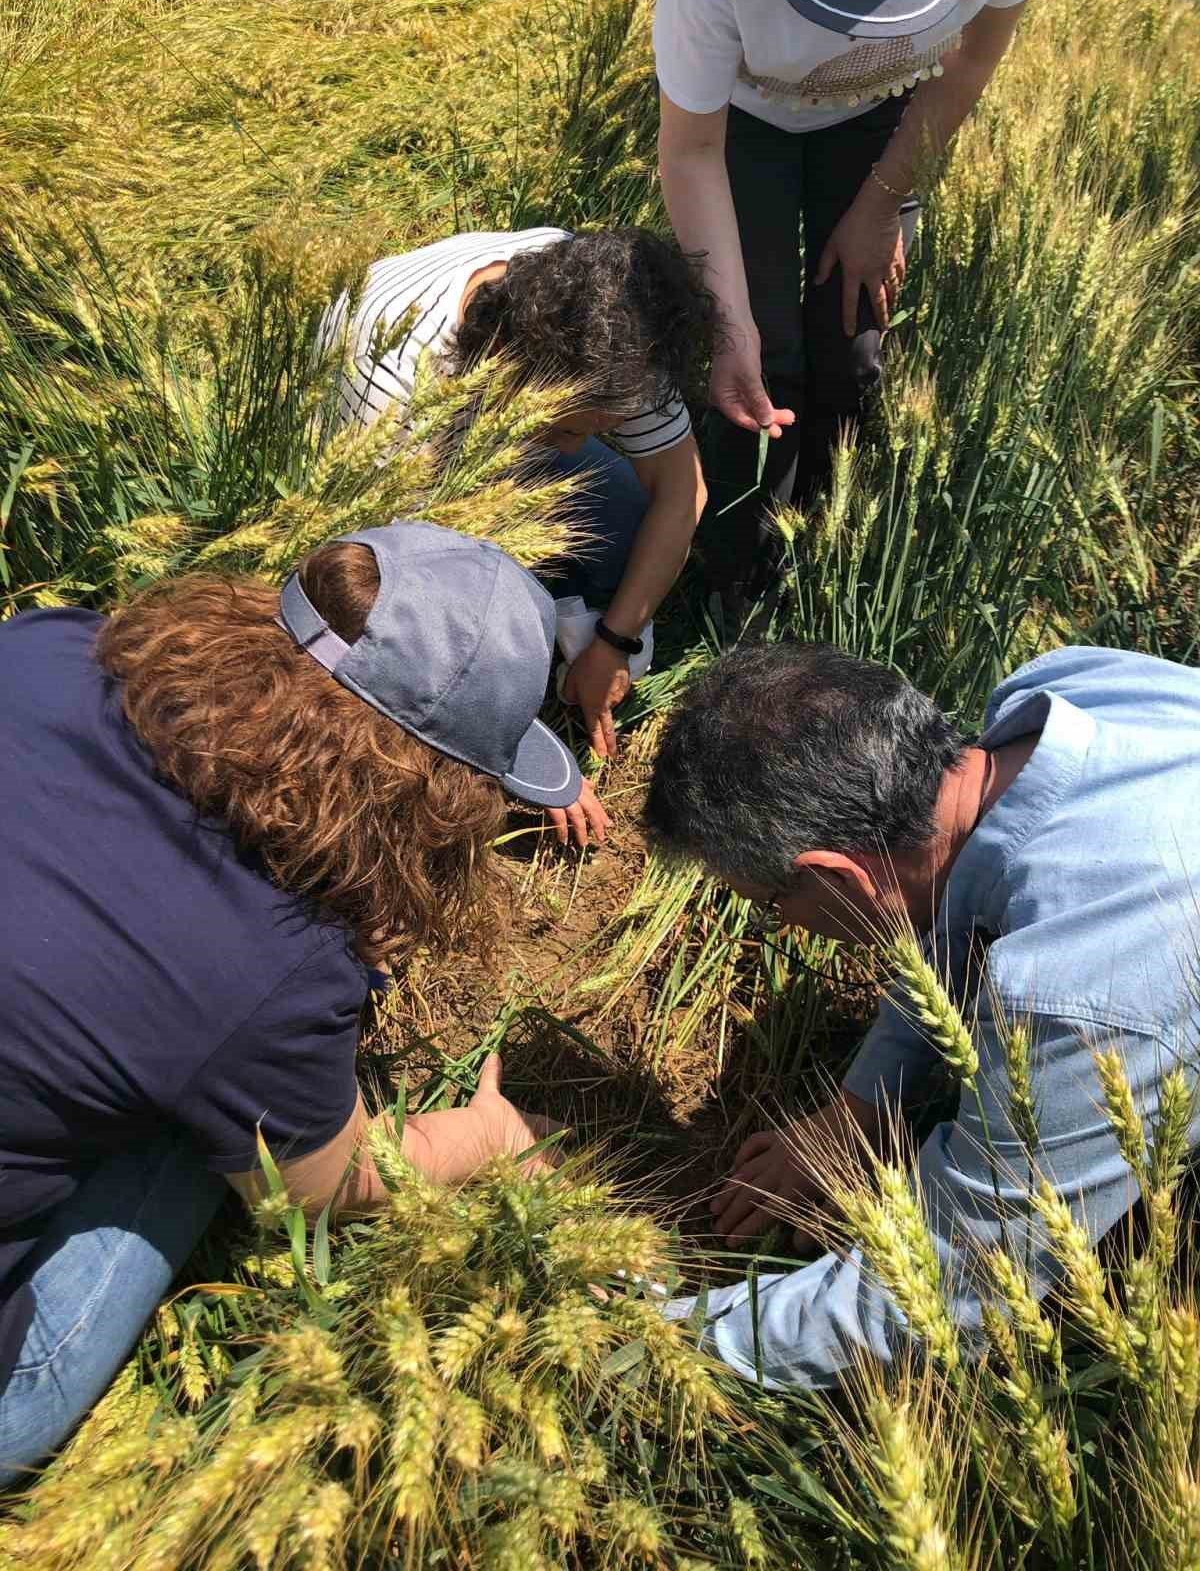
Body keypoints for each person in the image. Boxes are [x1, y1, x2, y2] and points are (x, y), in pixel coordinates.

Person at [0, 520, 591, 1484]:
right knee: (228, 1134)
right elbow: (332, 1189)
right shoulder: (274, 969)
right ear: (437, 790)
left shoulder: (54, 644)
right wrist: (491, 1136)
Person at [645, 642, 1200, 1387]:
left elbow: (951, 1296)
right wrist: (862, 1104)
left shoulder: (1079, 995)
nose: (785, 922)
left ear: (833, 876)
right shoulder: (1067, 689)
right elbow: (952, 899)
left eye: (774, 905)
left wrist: (643, 1335)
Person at [654, 0, 1053, 615]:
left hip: (882, 120)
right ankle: (730, 570)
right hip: (741, 124)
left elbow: (971, 59)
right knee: (760, 357)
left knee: (854, 345)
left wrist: (883, 202)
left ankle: (819, 543)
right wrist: (731, 317)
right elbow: (691, 150)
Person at [321, 226, 713, 759]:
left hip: (490, 415)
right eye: (567, 431)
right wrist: (513, 739)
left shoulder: (620, 323)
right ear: (516, 361)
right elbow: (406, 581)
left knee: (621, 510)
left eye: (599, 432)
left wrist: (615, 643)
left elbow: (681, 490)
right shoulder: (394, 375)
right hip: (384, 455)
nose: (574, 453)